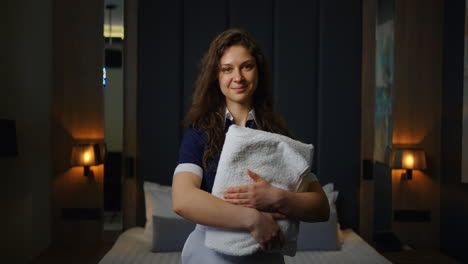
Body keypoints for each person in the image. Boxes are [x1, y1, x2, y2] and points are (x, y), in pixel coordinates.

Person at [172, 28, 330, 264]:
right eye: (227, 69)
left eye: (246, 66)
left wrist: (276, 198)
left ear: (258, 71)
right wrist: (253, 220)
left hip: (265, 256)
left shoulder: (277, 135)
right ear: (216, 75)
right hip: (210, 254)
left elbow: (321, 207)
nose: (238, 77)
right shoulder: (200, 132)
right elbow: (182, 199)